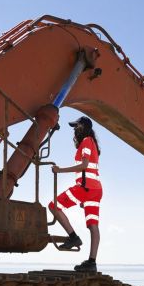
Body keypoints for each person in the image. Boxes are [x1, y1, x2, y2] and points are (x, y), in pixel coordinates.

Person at [48, 116, 102, 272]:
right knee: (93, 226)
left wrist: (60, 170)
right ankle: (92, 262)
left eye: (76, 126)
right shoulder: (93, 143)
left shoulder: (86, 140)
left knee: (53, 206)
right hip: (95, 190)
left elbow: (84, 165)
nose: (74, 129)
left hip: (86, 188)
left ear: (83, 127)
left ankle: (73, 237)